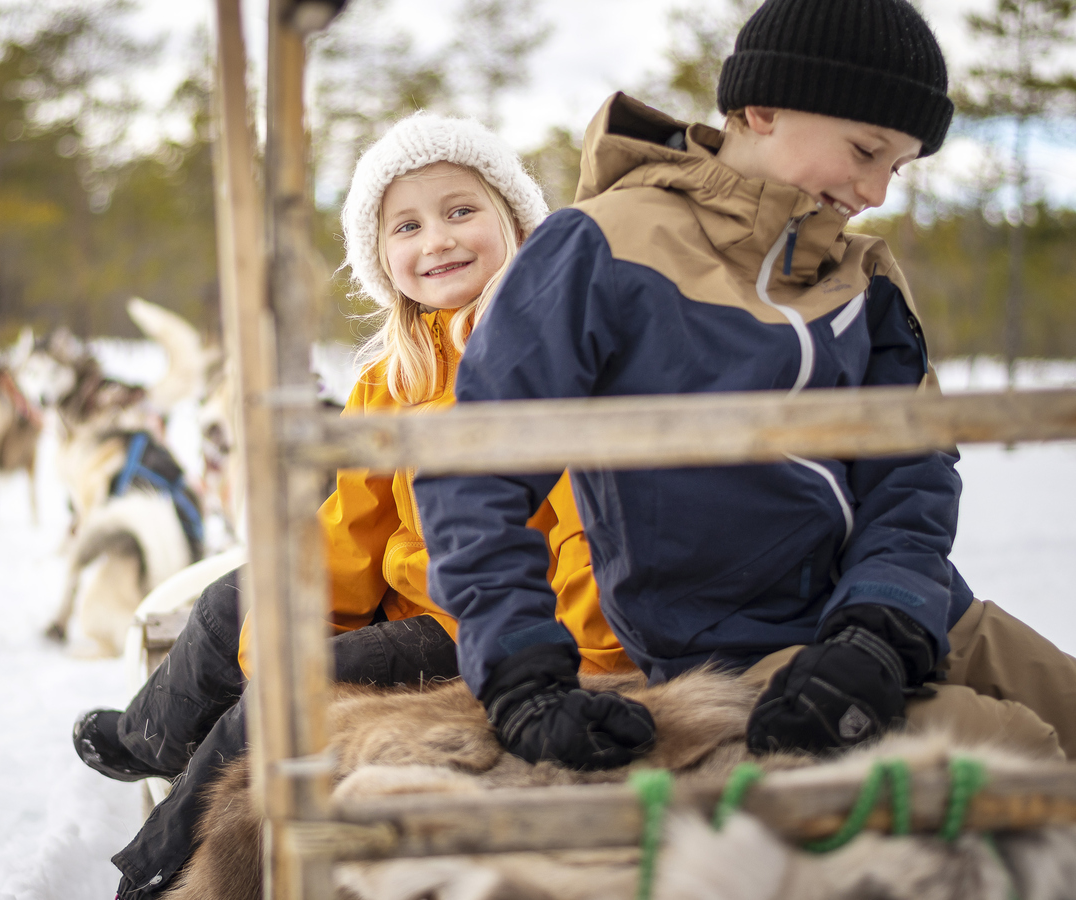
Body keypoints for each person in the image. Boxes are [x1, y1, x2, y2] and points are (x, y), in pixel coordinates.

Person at [413, 0, 1076, 772]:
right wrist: (522, 673)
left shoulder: (862, 280)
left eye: (896, 167)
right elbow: (474, 467)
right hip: (739, 647)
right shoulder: (603, 246)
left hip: (911, 613)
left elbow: (913, 474)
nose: (876, 191)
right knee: (1027, 756)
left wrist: (880, 625)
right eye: (866, 151)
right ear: (762, 110)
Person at [72, 113, 637, 899]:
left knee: (291, 692)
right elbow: (346, 532)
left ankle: (162, 863)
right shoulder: (393, 376)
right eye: (408, 225)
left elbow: (588, 532)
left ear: (516, 222)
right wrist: (283, 624)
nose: (438, 239)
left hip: (487, 625)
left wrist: (586, 665)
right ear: (382, 258)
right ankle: (154, 736)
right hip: (406, 599)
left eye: (461, 210)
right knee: (233, 601)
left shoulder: (550, 361)